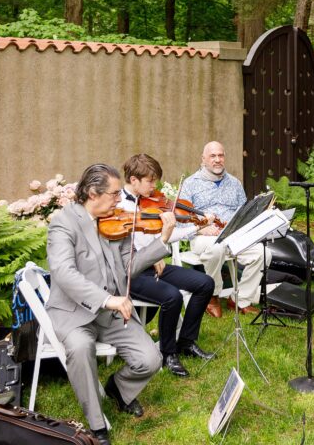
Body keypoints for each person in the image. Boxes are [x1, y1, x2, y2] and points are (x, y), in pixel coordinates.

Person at [46, 164, 171, 445]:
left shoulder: (117, 221)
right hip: (74, 312)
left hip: (111, 313)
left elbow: (130, 267)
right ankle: (96, 424)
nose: (119, 200)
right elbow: (64, 273)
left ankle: (118, 389)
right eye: (115, 194)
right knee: (80, 348)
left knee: (151, 360)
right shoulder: (64, 223)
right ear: (93, 192)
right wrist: (107, 299)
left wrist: (162, 240)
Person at [117, 154, 216, 378]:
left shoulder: (150, 202)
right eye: (150, 181)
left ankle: (187, 343)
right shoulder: (118, 207)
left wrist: (197, 227)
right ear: (134, 180)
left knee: (204, 283)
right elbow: (132, 246)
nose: (155, 186)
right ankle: (168, 353)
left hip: (154, 264)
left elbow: (168, 234)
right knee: (172, 296)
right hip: (132, 272)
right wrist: (156, 249)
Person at [179, 141, 270, 317]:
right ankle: (212, 294)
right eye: (212, 156)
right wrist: (200, 229)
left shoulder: (235, 183)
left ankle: (240, 299)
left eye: (220, 155)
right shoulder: (190, 184)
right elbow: (180, 220)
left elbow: (244, 213)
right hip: (203, 236)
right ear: (203, 159)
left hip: (233, 235)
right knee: (217, 248)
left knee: (263, 252)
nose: (217, 159)